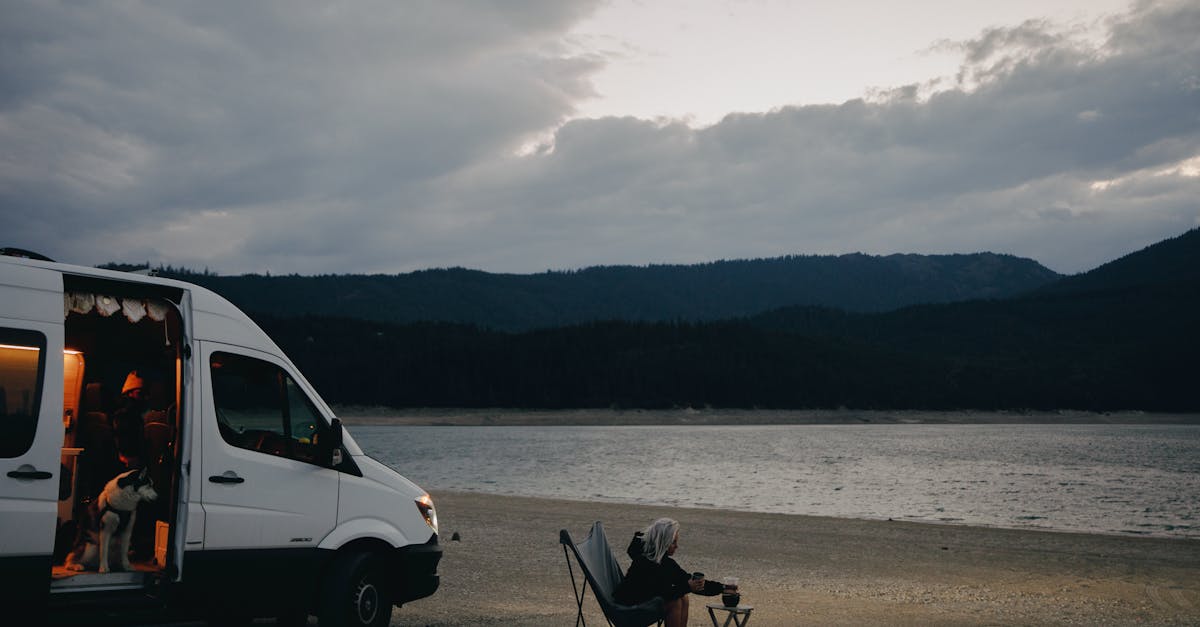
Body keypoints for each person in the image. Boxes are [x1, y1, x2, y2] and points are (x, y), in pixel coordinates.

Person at [613, 517, 723, 627]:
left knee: (683, 598)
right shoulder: (644, 562)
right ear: (663, 542)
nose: (677, 546)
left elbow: (687, 580)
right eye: (673, 542)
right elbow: (664, 593)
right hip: (627, 610)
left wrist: (723, 588)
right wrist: (688, 587)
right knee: (674, 602)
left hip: (642, 603)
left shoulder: (665, 563)